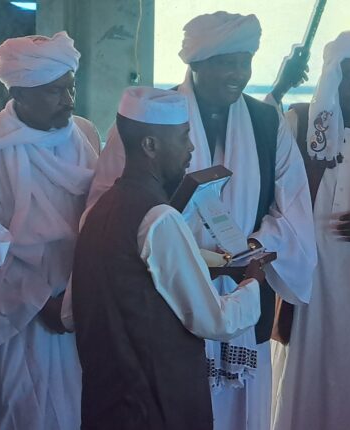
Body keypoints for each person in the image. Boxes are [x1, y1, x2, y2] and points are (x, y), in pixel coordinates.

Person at [88, 12, 316, 430]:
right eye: (226, 63)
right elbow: (111, 206)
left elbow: (294, 209)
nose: (238, 74)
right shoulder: (154, 118)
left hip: (245, 286)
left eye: (245, 62)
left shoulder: (268, 124)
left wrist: (248, 253)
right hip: (168, 296)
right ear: (196, 63)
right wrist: (179, 252)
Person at [72, 86, 264, 430]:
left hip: (107, 405)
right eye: (183, 137)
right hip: (156, 408)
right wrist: (252, 282)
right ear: (150, 145)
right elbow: (216, 321)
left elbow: (75, 310)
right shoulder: (159, 218)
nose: (191, 148)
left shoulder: (96, 212)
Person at [0, 31, 98, 429]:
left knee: (78, 409)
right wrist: (41, 302)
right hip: (17, 318)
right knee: (17, 412)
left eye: (71, 87)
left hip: (79, 308)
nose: (68, 100)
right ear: (20, 94)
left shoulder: (85, 135)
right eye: (54, 91)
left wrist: (78, 298)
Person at [271, 31, 350, 430]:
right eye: (348, 74)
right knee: (302, 367)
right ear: (332, 77)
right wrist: (279, 88)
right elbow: (266, 164)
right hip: (306, 272)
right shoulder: (300, 121)